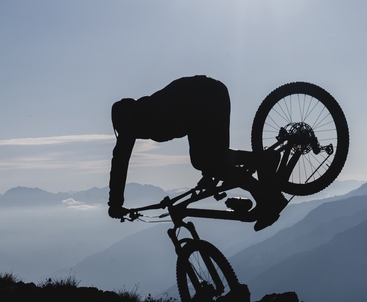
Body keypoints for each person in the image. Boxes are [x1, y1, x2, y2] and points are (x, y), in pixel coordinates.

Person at [107, 75, 287, 231]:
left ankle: (265, 163)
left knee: (203, 160)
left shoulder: (131, 119)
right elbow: (201, 137)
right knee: (217, 161)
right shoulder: (153, 107)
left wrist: (115, 204)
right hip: (215, 92)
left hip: (197, 99)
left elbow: (120, 161)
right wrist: (209, 173)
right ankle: (268, 197)